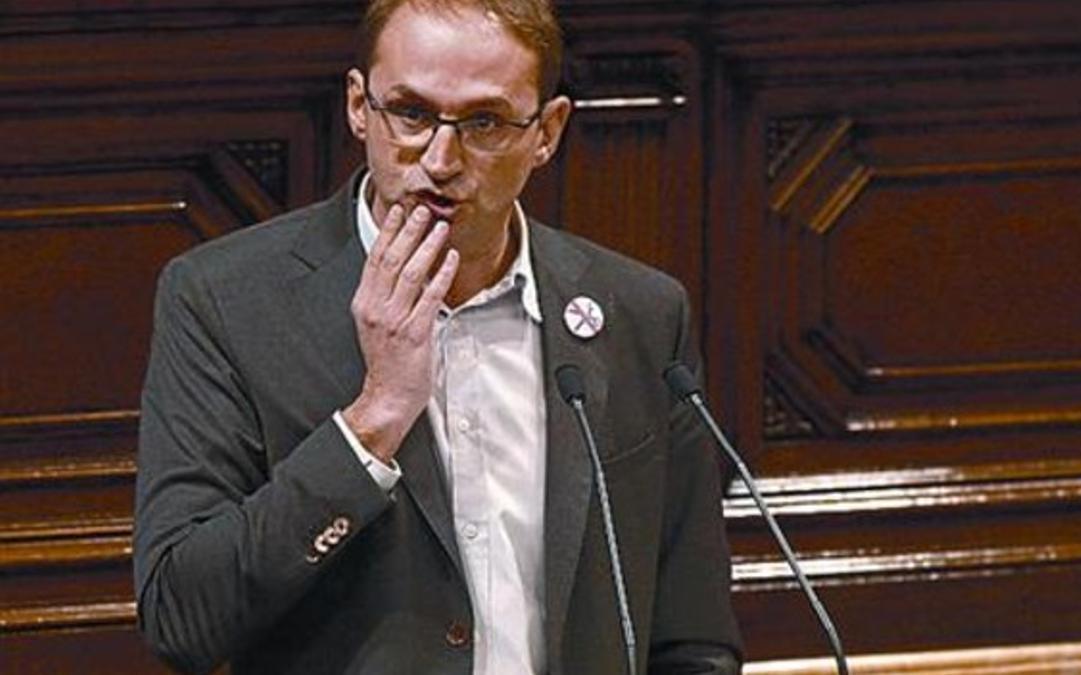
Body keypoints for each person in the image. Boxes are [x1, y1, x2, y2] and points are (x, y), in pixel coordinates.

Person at [132, 0, 742, 673]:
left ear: (548, 131)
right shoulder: (225, 302)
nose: (442, 159)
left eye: (484, 122)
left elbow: (693, 637)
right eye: (412, 114)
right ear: (359, 105)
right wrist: (373, 420)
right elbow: (180, 613)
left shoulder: (640, 315)